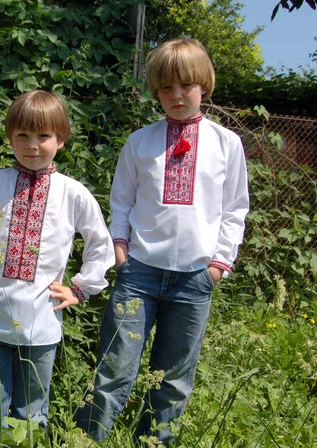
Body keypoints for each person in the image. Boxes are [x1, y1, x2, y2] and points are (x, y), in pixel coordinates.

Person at [76, 38, 250, 444]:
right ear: (156, 90)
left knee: (173, 379)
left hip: (195, 280)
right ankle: (86, 440)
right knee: (114, 369)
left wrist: (217, 267)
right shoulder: (141, 142)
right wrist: (121, 253)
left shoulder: (227, 144)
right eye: (166, 88)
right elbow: (121, 201)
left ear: (203, 85)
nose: (175, 95)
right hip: (139, 274)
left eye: (185, 86)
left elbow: (235, 209)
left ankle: (152, 441)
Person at [0, 90, 114, 428]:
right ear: (10, 137)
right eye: (22, 135)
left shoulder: (72, 192)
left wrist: (80, 289)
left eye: (43, 136)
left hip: (42, 320)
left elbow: (100, 243)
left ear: (61, 139)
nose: (32, 145)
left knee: (33, 410)